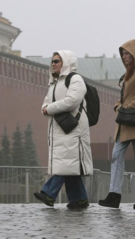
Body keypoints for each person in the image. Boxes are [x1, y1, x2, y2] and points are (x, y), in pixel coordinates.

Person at [34, 51, 93, 210]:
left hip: (74, 129)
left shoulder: (75, 79)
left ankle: (49, 193)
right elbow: (45, 103)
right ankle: (79, 199)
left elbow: (72, 101)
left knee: (65, 164)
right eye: (52, 61)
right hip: (59, 129)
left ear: (65, 62)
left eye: (56, 61)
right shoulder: (53, 82)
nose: (53, 64)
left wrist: (50, 109)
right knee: (68, 165)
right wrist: (45, 109)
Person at [98, 39, 135, 210]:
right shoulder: (128, 73)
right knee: (116, 155)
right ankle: (114, 195)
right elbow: (124, 97)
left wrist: (129, 107)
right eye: (123, 53)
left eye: (127, 53)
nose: (124, 56)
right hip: (125, 122)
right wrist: (118, 106)